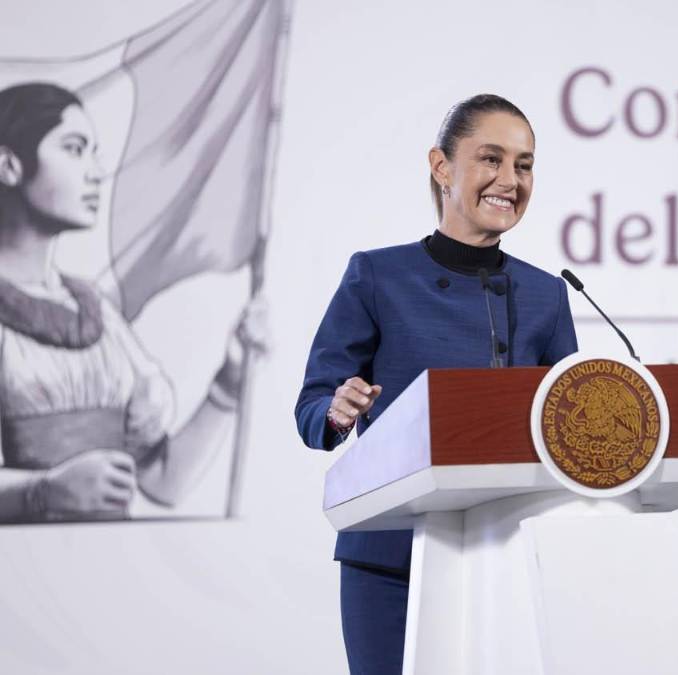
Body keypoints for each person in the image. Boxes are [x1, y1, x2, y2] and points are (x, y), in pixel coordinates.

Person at [295, 94, 578, 674]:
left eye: (524, 165)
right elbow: (313, 405)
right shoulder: (377, 276)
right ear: (441, 166)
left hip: (508, 557)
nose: (510, 180)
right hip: (391, 557)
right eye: (491, 159)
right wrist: (337, 410)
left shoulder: (548, 295)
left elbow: (569, 428)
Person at [0, 82, 265, 522]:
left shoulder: (96, 312)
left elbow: (163, 481)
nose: (94, 172)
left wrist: (231, 378)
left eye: (94, 153)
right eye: (74, 149)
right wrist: (42, 492)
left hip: (110, 557)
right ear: (9, 166)